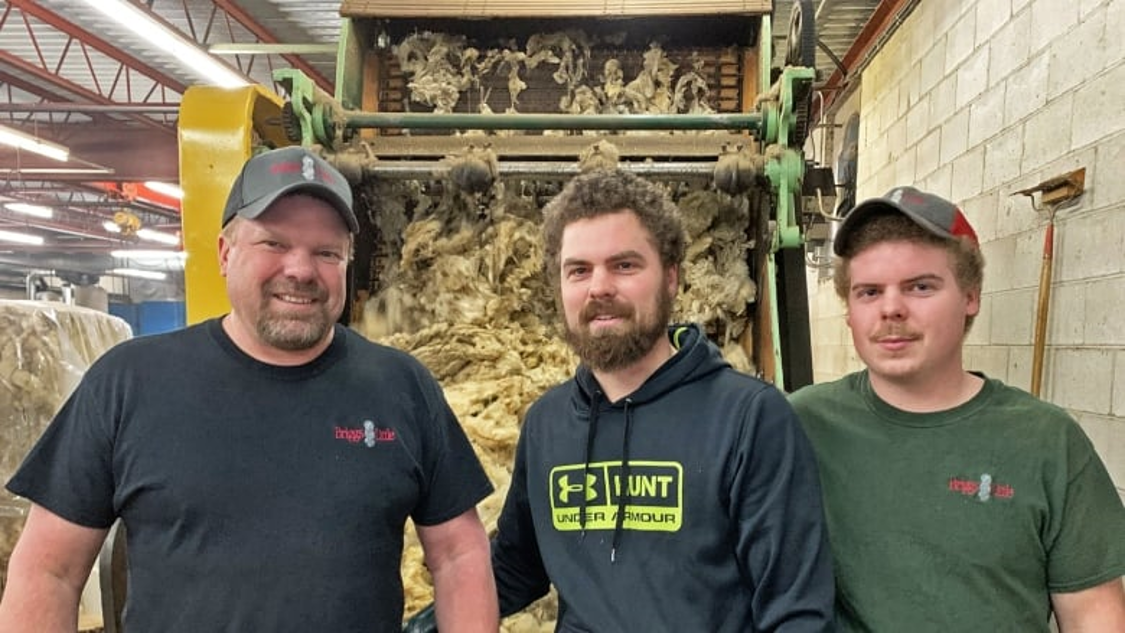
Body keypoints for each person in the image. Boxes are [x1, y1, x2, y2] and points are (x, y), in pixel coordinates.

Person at [0, 146, 499, 633]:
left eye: (326, 252)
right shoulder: (129, 382)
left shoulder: (402, 386)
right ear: (224, 252)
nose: (301, 271)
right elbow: (49, 570)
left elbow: (459, 554)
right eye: (274, 244)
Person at [489, 169, 835, 631]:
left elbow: (796, 612)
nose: (599, 288)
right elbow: (514, 571)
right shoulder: (547, 423)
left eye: (624, 265)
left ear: (671, 277)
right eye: (579, 270)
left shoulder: (749, 417)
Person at [789, 186, 1125, 632]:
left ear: (971, 296)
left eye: (920, 287)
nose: (891, 309)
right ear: (849, 311)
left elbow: (1093, 615)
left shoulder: (1046, 441)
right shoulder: (799, 425)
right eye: (869, 292)